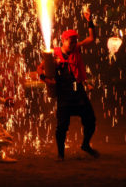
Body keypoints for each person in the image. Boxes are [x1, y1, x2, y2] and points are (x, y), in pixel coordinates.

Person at [37, 10, 99, 160]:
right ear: (63, 40)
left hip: (79, 92)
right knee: (62, 127)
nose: (73, 44)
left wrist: (89, 21)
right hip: (64, 94)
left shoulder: (77, 49)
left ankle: (85, 145)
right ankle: (60, 154)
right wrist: (46, 79)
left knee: (91, 121)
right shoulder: (54, 54)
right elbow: (39, 69)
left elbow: (91, 38)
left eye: (74, 41)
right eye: (70, 41)